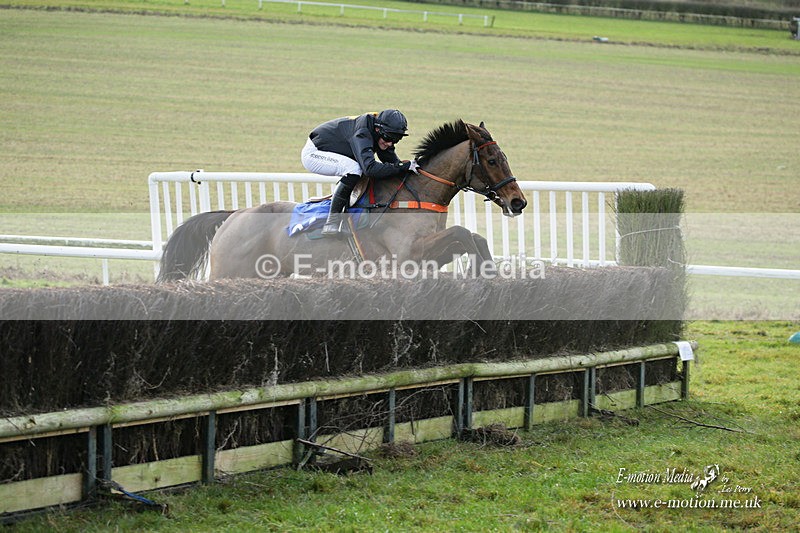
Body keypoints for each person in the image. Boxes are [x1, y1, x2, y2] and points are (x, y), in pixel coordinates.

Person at [301, 110, 419, 236]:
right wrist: (402, 166)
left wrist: (410, 168)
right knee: (354, 169)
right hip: (314, 154)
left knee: (356, 168)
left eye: (396, 139)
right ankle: (332, 223)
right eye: (388, 138)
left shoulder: (380, 132)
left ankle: (346, 220)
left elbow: (394, 164)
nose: (390, 143)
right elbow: (370, 169)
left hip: (333, 150)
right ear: (378, 130)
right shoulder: (363, 132)